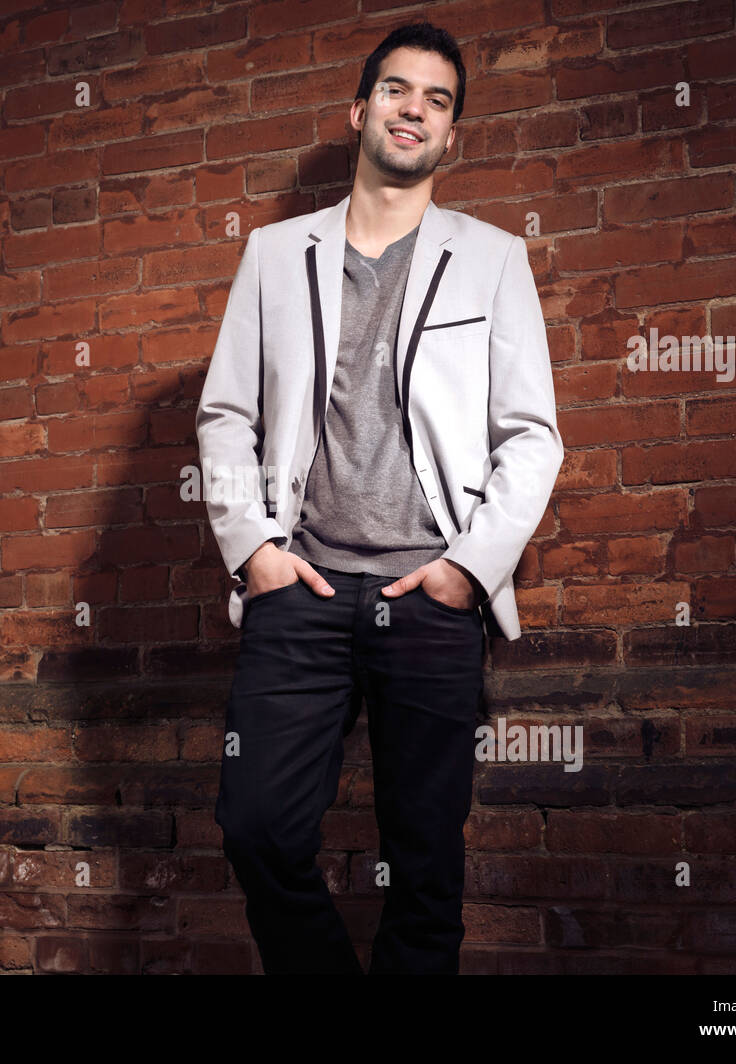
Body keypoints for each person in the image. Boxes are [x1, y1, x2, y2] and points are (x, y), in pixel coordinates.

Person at [195, 21, 563, 974]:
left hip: (431, 603)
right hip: (299, 594)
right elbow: (227, 413)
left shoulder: (493, 258)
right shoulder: (276, 254)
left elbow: (532, 435)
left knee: (427, 870)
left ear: (453, 138)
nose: (415, 111)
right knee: (258, 830)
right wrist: (256, 553)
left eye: (437, 101)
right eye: (398, 91)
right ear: (361, 112)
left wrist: (467, 573)